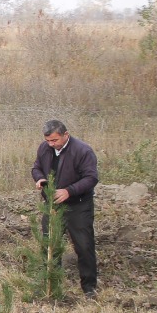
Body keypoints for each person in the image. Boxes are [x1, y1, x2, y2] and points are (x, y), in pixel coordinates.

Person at [31, 119, 99, 297]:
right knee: (50, 245)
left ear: (65, 135)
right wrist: (39, 178)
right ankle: (51, 284)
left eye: (54, 140)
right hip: (52, 206)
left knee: (84, 245)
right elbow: (36, 167)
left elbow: (91, 178)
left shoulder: (83, 151)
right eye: (48, 141)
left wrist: (69, 191)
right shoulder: (44, 149)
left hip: (79, 205)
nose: (51, 144)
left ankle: (89, 287)